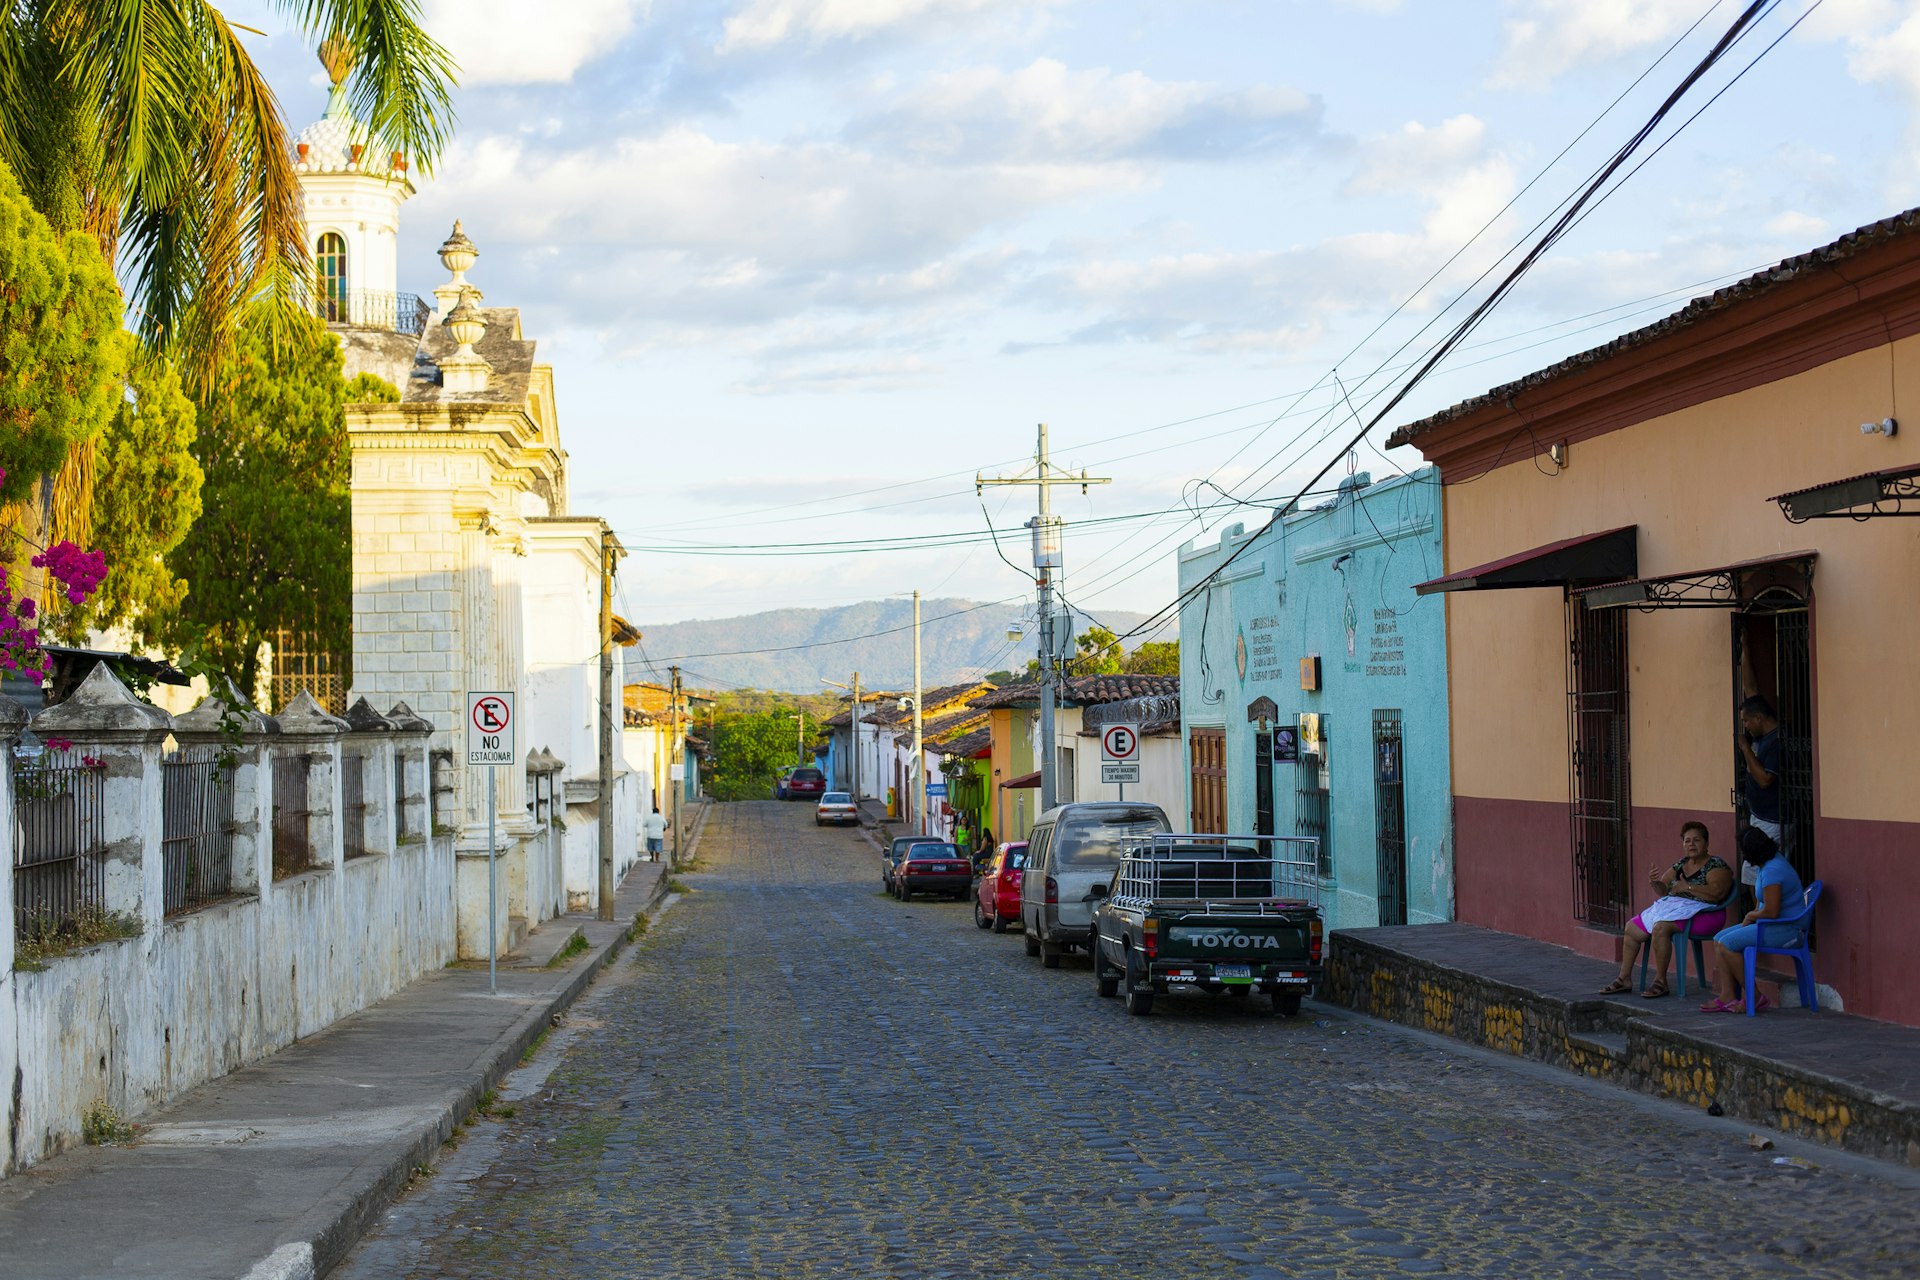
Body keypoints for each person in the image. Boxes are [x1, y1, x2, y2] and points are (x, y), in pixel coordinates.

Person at [1600, 820, 1733, 999]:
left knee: (1660, 928)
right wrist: (1655, 883)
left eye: (1696, 840)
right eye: (1687, 841)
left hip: (1706, 915)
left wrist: (1688, 888)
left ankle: (1661, 981)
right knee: (1631, 928)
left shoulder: (1716, 865)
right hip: (1678, 910)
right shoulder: (1681, 864)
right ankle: (1624, 979)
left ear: (1706, 843)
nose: (1691, 844)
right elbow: (1664, 889)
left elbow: (1717, 894)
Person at [1705, 826, 1806, 1013]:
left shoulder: (1773, 870)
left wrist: (1751, 915)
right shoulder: (1768, 863)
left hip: (1787, 930)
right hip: (1771, 925)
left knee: (1727, 945)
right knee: (1719, 938)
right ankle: (1727, 995)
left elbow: (1771, 911)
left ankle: (1755, 996)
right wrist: (1753, 918)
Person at [1737, 694, 1782, 849]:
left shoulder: (1777, 741)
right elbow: (1750, 688)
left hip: (1771, 820)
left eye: (1746, 721)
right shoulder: (1763, 737)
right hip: (1761, 816)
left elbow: (1764, 780)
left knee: (1753, 868)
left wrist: (1744, 747)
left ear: (1758, 718)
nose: (1746, 726)